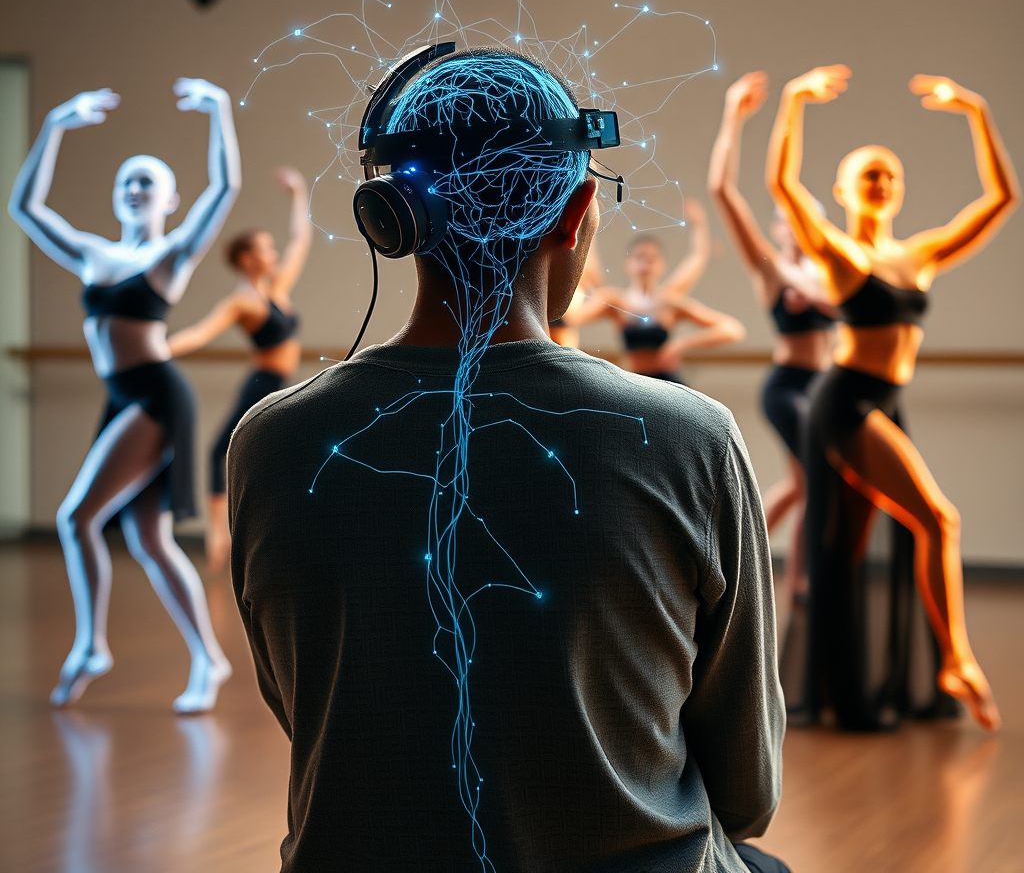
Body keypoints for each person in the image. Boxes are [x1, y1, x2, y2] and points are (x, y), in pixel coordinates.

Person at [229, 49, 788, 872]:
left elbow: (305, 707)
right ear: (578, 210)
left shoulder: (269, 441)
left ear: (393, 218)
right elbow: (749, 795)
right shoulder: (691, 436)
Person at [766, 64, 1016, 732]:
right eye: (869, 174)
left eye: (891, 175)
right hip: (845, 401)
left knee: (845, 550)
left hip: (883, 399)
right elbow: (781, 186)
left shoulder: (921, 254)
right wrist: (793, 102)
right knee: (939, 519)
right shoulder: (843, 255)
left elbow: (1001, 199)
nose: (882, 183)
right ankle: (957, 658)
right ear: (846, 189)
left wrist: (976, 111)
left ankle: (836, 689)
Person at [8, 79, 239, 713]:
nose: (135, 189)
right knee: (148, 540)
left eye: (147, 182)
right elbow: (25, 209)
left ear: (169, 199)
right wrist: (54, 123)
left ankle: (90, 645)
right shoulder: (93, 255)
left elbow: (224, 190)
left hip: (156, 395)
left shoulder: (170, 256)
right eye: (126, 182)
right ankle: (209, 660)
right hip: (121, 397)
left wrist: (218, 111)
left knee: (74, 517)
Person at [707, 71, 836, 613]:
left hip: (826, 385)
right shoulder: (772, 270)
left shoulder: (833, 270)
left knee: (809, 485)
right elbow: (723, 192)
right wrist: (734, 115)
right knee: (811, 481)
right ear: (780, 229)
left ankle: (784, 578)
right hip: (787, 387)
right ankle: (769, 575)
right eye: (787, 220)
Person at [168, 166, 312, 574]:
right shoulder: (242, 302)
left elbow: (301, 240)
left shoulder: (278, 288)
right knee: (224, 449)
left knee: (267, 452)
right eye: (266, 248)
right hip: (262, 383)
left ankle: (267, 531)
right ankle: (219, 532)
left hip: (280, 384)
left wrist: (298, 193)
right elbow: (199, 334)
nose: (275, 253)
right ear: (248, 259)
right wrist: (157, 348)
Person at [577, 199, 746, 381]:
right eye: (639, 257)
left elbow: (732, 329)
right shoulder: (615, 301)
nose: (645, 264)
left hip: (667, 382)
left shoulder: (669, 301)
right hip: (632, 381)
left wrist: (682, 344)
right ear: (628, 264)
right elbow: (572, 315)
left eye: (651, 258)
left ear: (662, 265)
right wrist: (589, 226)